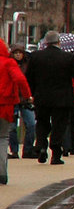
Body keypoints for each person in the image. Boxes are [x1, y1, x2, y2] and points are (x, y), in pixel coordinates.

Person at [24, 31, 74, 165]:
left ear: (45, 43)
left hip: (42, 97)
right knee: (59, 125)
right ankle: (56, 153)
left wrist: (31, 94)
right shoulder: (67, 58)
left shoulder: (36, 57)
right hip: (62, 99)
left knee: (41, 122)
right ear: (59, 42)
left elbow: (29, 77)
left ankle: (41, 145)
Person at [0, 40, 32, 185]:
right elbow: (20, 78)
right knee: (2, 138)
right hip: (5, 105)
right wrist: (27, 95)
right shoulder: (9, 63)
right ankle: (2, 173)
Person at [7, 44, 35, 159]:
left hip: (25, 99)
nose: (18, 55)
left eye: (19, 53)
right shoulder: (8, 65)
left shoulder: (28, 65)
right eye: (15, 53)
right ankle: (14, 150)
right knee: (12, 127)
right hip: (13, 99)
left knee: (31, 124)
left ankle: (27, 149)